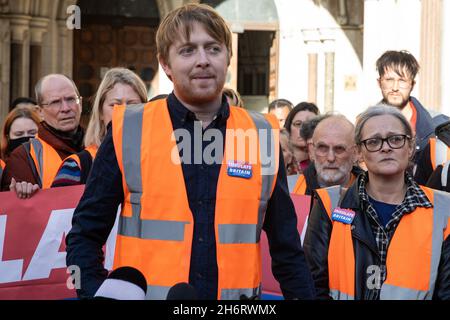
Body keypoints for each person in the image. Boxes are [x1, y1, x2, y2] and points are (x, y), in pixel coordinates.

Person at [66, 3, 315, 300]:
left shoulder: (261, 135)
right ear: (165, 64)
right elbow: (85, 234)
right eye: (187, 50)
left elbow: (287, 250)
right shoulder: (128, 130)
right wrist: (97, 294)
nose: (203, 61)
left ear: (228, 56)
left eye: (213, 48)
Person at [304, 104, 450, 300]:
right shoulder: (329, 204)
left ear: (410, 147)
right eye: (374, 141)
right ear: (359, 153)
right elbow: (312, 286)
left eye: (396, 139)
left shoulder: (443, 209)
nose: (386, 147)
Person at [51, 68, 148, 187]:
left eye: (133, 104)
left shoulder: (156, 158)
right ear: (101, 112)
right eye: (115, 105)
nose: (123, 111)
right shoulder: (76, 167)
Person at [1, 74, 84, 196]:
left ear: (80, 103)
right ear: (39, 112)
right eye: (55, 102)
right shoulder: (24, 157)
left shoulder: (99, 145)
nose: (65, 108)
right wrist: (22, 195)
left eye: (71, 99)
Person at [289, 114, 362, 196]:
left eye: (339, 149)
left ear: (355, 153)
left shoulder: (371, 192)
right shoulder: (290, 190)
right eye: (323, 148)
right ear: (312, 151)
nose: (331, 158)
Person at [284, 102, 319, 174]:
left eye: (311, 124)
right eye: (298, 124)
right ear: (288, 128)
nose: (304, 129)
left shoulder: (325, 164)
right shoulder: (277, 163)